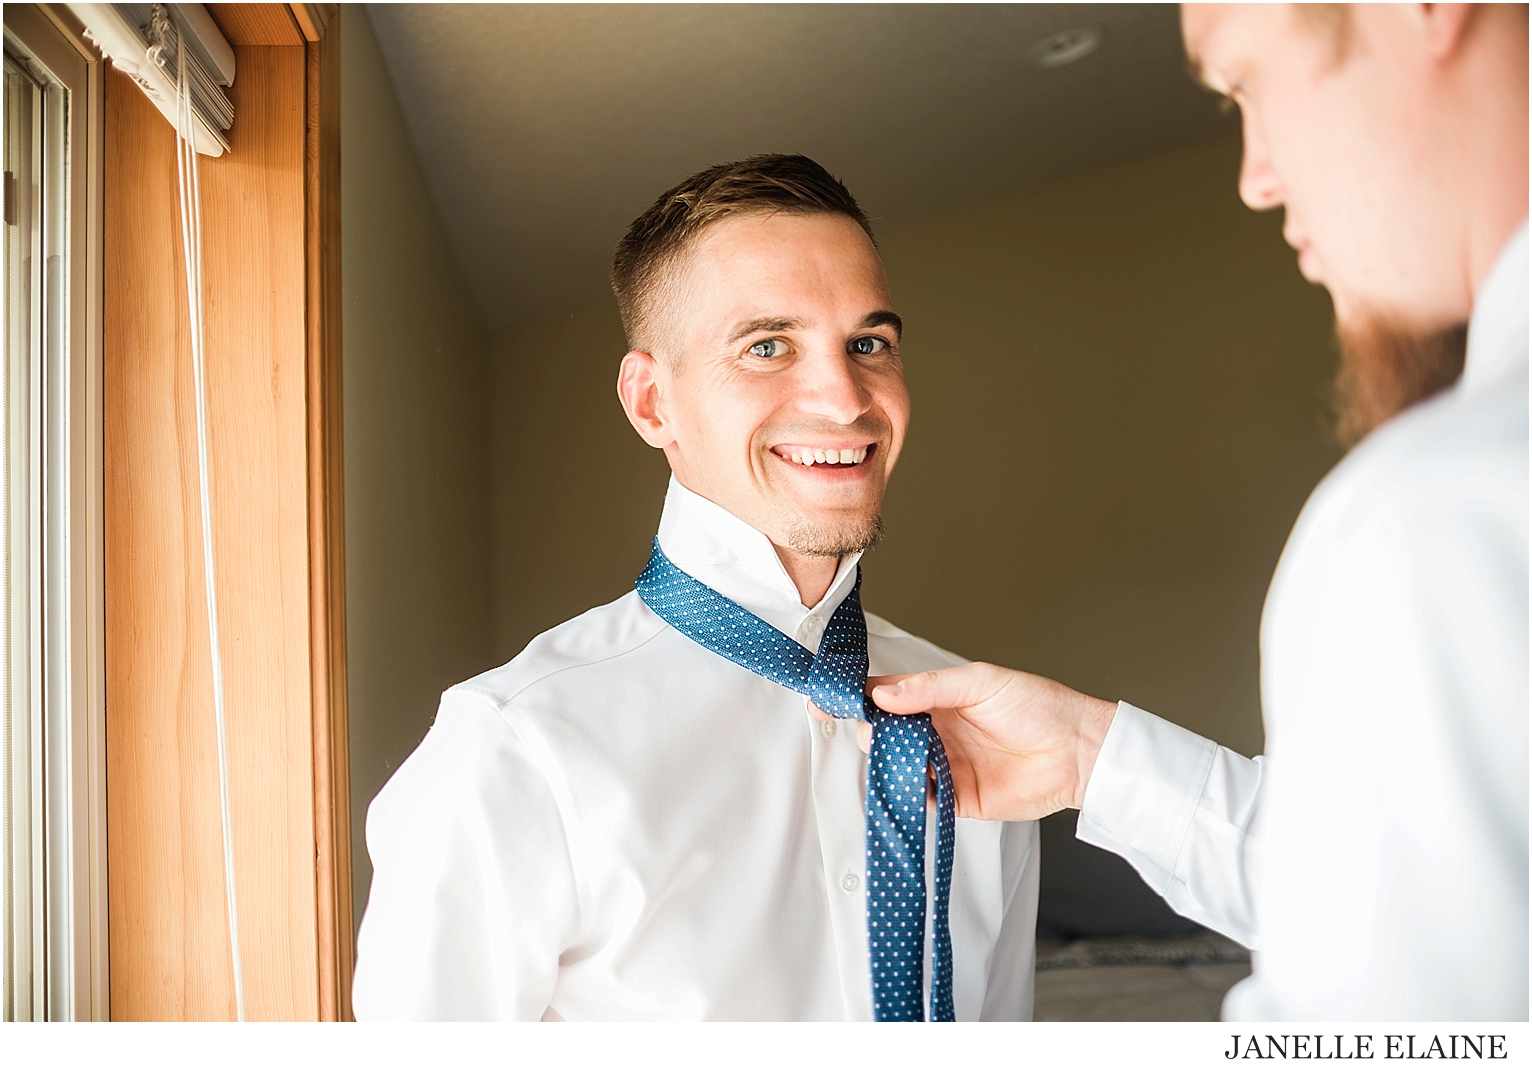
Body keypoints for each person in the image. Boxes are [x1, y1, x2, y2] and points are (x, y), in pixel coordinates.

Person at [867, 4, 1527, 1020]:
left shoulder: (1429, 516)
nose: (1253, 176)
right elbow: (1408, 897)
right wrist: (1090, 757)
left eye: (1246, 85)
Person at [350, 155, 1039, 1021]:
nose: (843, 398)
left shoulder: (977, 734)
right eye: (766, 346)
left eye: (868, 344)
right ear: (652, 405)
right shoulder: (514, 751)